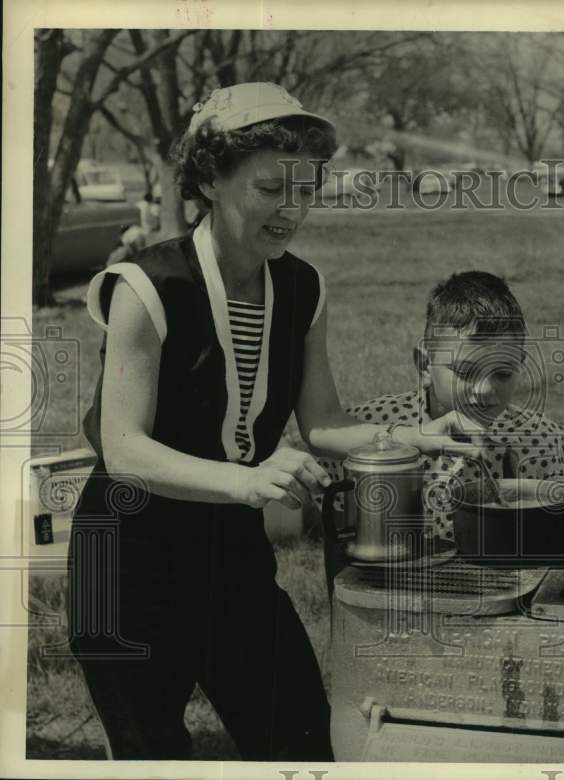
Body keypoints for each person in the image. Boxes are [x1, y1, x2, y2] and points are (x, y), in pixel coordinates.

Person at [67, 82, 478, 761]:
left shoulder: (303, 287)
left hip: (228, 553)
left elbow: (320, 423)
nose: (294, 209)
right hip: (126, 559)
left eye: (309, 189)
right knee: (152, 754)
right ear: (209, 176)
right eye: (270, 188)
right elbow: (125, 450)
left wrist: (414, 436)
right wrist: (247, 479)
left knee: (301, 739)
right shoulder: (145, 286)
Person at [302, 270, 564, 579]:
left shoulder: (546, 443)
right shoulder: (364, 432)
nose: (486, 391)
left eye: (503, 374)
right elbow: (339, 542)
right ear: (424, 365)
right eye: (466, 372)